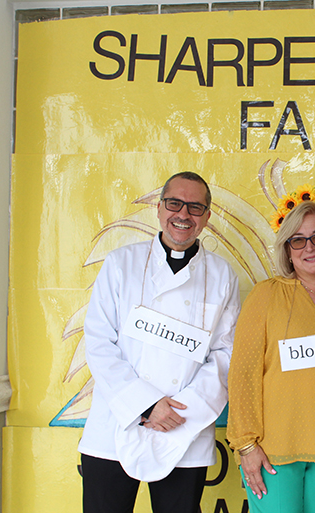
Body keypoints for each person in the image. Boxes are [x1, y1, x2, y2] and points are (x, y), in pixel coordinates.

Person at [78, 172, 240, 513]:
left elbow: (226, 354)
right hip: (116, 425)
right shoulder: (121, 264)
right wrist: (146, 405)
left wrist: (181, 412)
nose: (183, 214)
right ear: (159, 207)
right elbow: (98, 341)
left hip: (186, 429)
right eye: (174, 203)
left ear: (207, 217)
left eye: (195, 207)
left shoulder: (223, 275)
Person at [227, 196, 315, 513]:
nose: (310, 247)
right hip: (273, 449)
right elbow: (243, 373)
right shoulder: (266, 295)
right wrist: (246, 444)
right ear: (287, 250)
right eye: (298, 240)